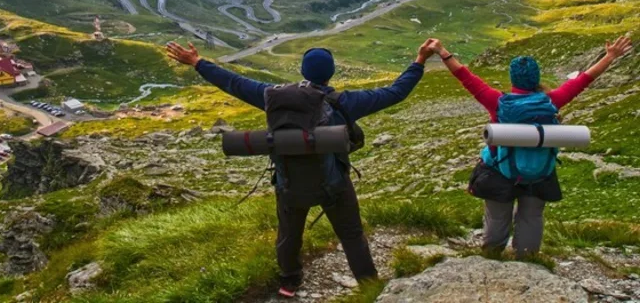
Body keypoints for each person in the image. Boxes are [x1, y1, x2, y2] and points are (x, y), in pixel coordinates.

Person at [166, 39, 436, 297]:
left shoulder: (272, 96)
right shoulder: (344, 102)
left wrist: (198, 62)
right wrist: (420, 60)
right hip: (335, 185)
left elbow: (233, 83)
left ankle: (289, 282)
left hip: (289, 184)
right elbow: (396, 92)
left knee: (289, 235)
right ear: (331, 73)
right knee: (352, 235)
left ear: (302, 71)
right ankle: (368, 286)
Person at [428, 35, 633, 259]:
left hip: (499, 171)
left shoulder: (498, 102)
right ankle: (527, 259)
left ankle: (491, 257)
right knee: (532, 217)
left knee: (497, 218)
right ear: (537, 78)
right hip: (539, 172)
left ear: (513, 80)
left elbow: (465, 77)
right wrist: (610, 56)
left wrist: (442, 51)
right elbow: (584, 79)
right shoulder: (551, 101)